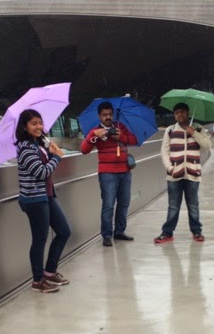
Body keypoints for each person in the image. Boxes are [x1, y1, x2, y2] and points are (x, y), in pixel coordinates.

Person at [16, 109, 72, 293]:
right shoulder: (25, 148)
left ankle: (49, 272)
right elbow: (41, 172)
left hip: (47, 196)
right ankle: (37, 280)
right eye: (33, 124)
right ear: (25, 127)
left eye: (40, 123)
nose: (38, 126)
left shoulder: (38, 144)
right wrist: (56, 157)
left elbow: (44, 168)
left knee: (63, 231)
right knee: (40, 239)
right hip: (34, 199)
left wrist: (50, 152)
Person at [80, 101, 138, 247]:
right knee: (108, 205)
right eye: (105, 115)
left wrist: (121, 137)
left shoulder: (120, 127)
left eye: (110, 114)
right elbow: (84, 150)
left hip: (125, 171)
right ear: (99, 116)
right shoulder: (96, 131)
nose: (108, 117)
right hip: (107, 173)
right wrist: (94, 134)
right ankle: (106, 235)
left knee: (124, 203)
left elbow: (134, 140)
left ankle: (119, 231)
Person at [154, 102, 211, 244]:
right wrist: (170, 169)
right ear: (174, 115)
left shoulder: (197, 128)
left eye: (182, 112)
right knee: (173, 206)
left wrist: (194, 133)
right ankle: (167, 233)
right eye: (177, 112)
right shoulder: (170, 130)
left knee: (193, 205)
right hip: (174, 175)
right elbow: (164, 152)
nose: (180, 114)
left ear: (188, 113)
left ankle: (196, 231)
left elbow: (207, 146)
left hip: (193, 173)